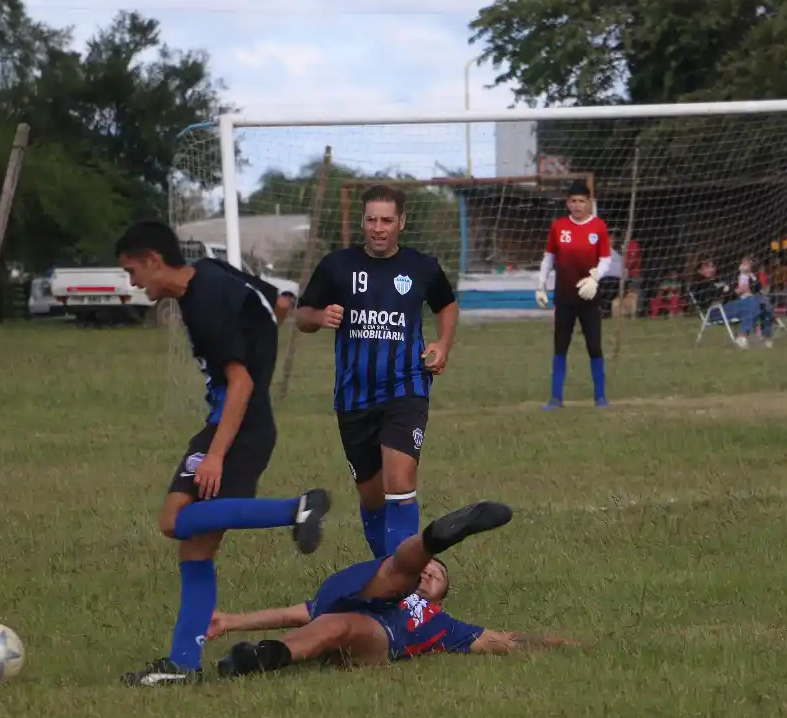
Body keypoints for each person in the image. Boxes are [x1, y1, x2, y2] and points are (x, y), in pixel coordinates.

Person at [113, 220, 332, 687]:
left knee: (178, 525)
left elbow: (242, 382)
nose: (133, 282)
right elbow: (280, 302)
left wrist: (215, 455)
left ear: (154, 260)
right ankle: (182, 665)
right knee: (189, 541)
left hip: (239, 429)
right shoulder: (210, 271)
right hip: (228, 423)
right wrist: (260, 340)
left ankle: (297, 509)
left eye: (133, 271)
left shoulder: (204, 306)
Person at [206, 501, 575, 675]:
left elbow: (505, 640)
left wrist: (564, 643)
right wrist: (230, 622)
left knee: (342, 625)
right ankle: (258, 658)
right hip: (363, 602)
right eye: (430, 569)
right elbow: (294, 613)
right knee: (388, 578)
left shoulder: (445, 626)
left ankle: (431, 541)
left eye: (438, 576)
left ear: (443, 595)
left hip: (382, 639)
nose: (431, 576)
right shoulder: (404, 585)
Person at [295, 185, 459, 559]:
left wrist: (442, 344)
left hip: (407, 388)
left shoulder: (422, 267)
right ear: (362, 221)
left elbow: (446, 306)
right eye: (371, 220)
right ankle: (387, 571)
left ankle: (405, 585)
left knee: (399, 481)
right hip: (354, 395)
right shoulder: (336, 266)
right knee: (372, 495)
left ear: (401, 221)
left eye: (387, 220)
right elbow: (303, 315)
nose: (378, 228)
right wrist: (320, 317)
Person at [535, 180, 614, 409]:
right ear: (567, 203)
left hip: (589, 297)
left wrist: (595, 277)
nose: (578, 205)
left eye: (582, 201)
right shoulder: (558, 226)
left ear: (589, 203)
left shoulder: (598, 227)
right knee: (560, 346)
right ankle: (556, 398)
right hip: (564, 296)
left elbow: (606, 259)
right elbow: (549, 257)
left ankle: (600, 397)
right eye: (574, 201)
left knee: (594, 346)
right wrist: (541, 285)